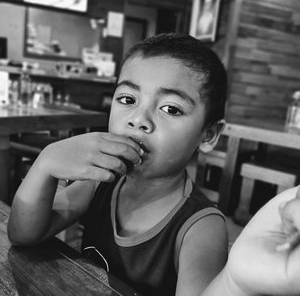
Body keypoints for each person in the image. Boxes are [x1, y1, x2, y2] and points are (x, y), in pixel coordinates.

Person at [7, 33, 300, 296]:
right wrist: (44, 164)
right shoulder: (100, 181)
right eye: (127, 98)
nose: (138, 119)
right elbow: (24, 233)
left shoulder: (201, 226)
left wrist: (235, 283)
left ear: (208, 135)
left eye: (170, 108)